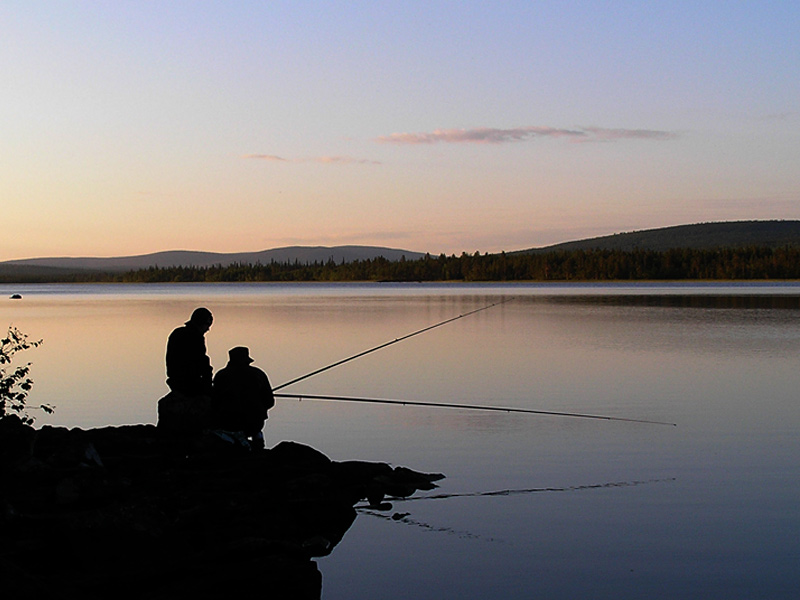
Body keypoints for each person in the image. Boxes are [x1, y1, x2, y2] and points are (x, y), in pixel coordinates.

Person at [212, 346, 275, 450]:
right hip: (255, 422)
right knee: (255, 427)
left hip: (228, 422)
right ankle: (257, 438)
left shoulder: (221, 375)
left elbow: (214, 403)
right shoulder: (259, 374)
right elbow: (269, 402)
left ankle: (231, 441)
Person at [165, 307, 214, 396]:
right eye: (207, 325)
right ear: (200, 322)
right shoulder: (195, 337)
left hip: (175, 380)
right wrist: (208, 382)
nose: (208, 329)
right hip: (189, 383)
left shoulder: (177, 333)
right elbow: (201, 361)